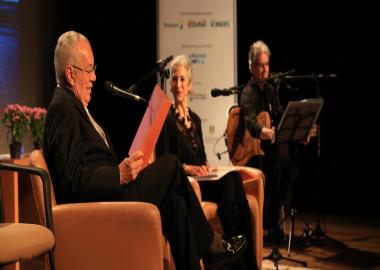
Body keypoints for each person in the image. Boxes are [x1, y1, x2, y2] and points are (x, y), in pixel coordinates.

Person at [43, 30, 247, 270]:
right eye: (89, 70)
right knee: (170, 164)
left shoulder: (72, 106)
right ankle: (210, 244)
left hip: (107, 196)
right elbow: (70, 179)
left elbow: (88, 163)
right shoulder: (63, 109)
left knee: (176, 204)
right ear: (70, 73)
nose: (95, 77)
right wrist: (117, 174)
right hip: (97, 207)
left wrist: (127, 168)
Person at [156, 54, 259, 270]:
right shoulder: (166, 117)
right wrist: (189, 168)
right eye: (175, 79)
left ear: (190, 85)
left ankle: (245, 256)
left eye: (183, 79)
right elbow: (165, 160)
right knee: (230, 185)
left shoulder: (194, 118)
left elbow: (201, 156)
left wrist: (207, 167)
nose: (178, 84)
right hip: (186, 181)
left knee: (232, 179)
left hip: (202, 177)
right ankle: (236, 261)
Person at [239, 40, 299, 244]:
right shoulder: (247, 92)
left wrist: (296, 129)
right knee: (274, 169)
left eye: (266, 65)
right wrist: (261, 130)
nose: (264, 69)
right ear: (251, 66)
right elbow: (248, 121)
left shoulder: (272, 91)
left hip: (271, 151)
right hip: (253, 154)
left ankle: (272, 219)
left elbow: (281, 116)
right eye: (260, 65)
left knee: (290, 170)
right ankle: (271, 224)